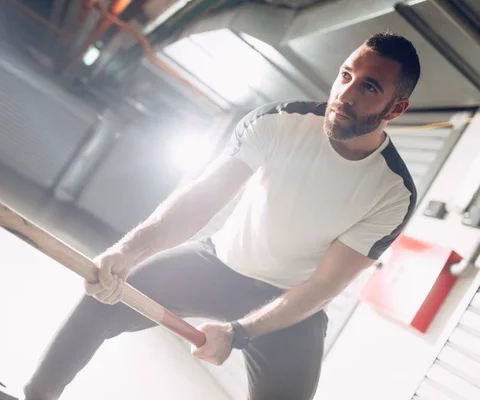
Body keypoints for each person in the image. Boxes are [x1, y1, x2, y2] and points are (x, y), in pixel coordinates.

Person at [24, 31, 420, 400]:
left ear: (396, 108)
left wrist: (241, 333)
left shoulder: (392, 192)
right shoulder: (279, 122)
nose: (344, 94)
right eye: (346, 75)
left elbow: (324, 285)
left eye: (368, 87)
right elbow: (200, 200)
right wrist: (126, 252)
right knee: (102, 301)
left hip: (291, 303)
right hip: (218, 262)